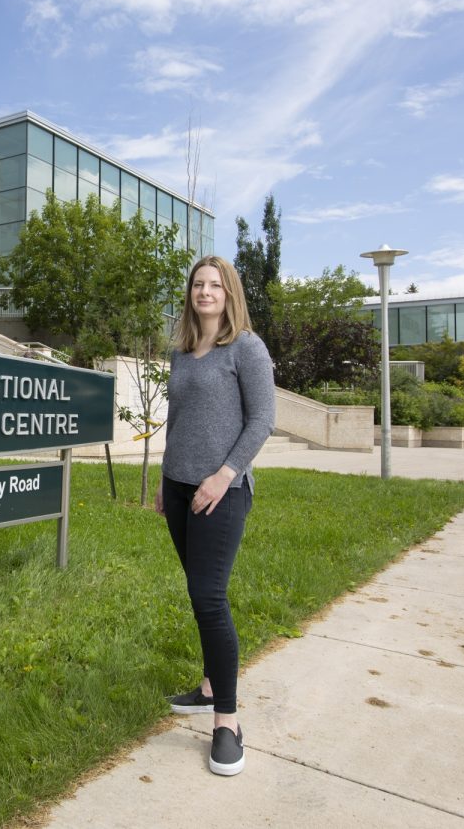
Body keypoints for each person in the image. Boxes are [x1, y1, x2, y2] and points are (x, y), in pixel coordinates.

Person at [154, 254, 275, 776]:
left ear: (229, 293)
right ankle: (209, 686)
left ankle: (227, 722)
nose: (205, 292)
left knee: (208, 596)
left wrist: (223, 475)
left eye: (215, 285)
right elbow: (176, 421)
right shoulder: (182, 351)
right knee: (198, 593)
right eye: (198, 284)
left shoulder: (245, 347)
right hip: (180, 491)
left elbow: (263, 421)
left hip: (222, 492)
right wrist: (165, 479)